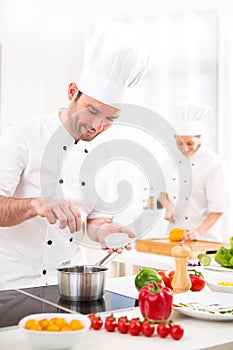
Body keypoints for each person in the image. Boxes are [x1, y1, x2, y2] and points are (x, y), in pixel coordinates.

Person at [0, 22, 149, 290]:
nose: (97, 126)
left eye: (110, 119)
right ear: (72, 92)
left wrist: (105, 231)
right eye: (92, 111)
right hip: (11, 286)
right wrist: (36, 205)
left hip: (69, 286)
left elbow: (94, 220)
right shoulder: (21, 135)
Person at [160, 102, 230, 242]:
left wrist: (199, 232)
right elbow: (161, 191)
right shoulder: (170, 159)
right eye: (180, 143)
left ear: (199, 138)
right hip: (175, 235)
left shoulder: (213, 163)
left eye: (190, 143)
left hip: (205, 239)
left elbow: (219, 208)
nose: (185, 149)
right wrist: (168, 207)